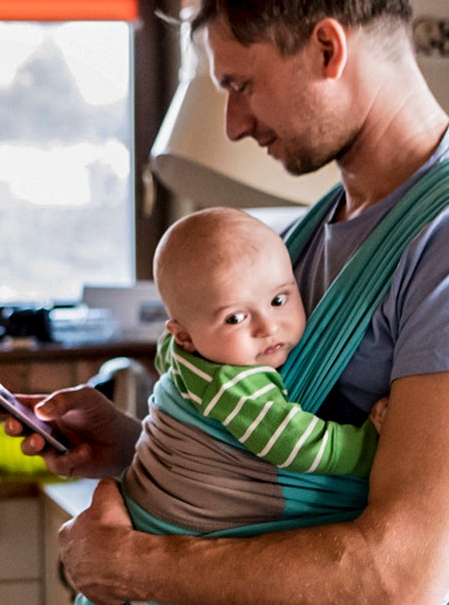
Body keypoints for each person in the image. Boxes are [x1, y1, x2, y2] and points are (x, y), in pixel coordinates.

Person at [3, 0, 449, 602]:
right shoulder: (315, 230)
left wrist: (134, 565)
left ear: (327, 49)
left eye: (240, 85)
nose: (234, 124)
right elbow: (265, 470)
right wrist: (133, 444)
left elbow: (397, 577)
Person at [128, 207, 384, 534]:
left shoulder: (174, 350)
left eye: (279, 300)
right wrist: (374, 442)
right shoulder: (232, 385)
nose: (268, 327)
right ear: (185, 336)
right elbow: (298, 444)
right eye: (235, 318)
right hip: (182, 524)